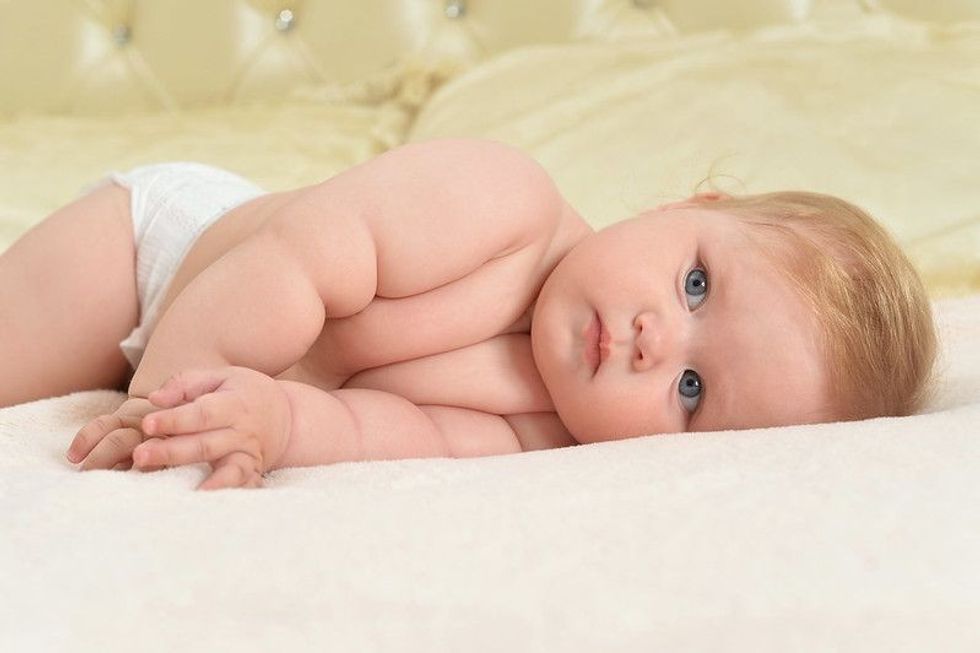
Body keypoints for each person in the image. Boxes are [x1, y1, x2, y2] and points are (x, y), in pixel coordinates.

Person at [0, 138, 936, 490]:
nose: (658, 339)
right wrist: (165, 398)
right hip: (159, 257)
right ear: (693, 204)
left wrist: (277, 418)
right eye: (696, 285)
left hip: (237, 343)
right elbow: (297, 264)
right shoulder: (503, 203)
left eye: (693, 390)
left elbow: (374, 425)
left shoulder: (539, 439)